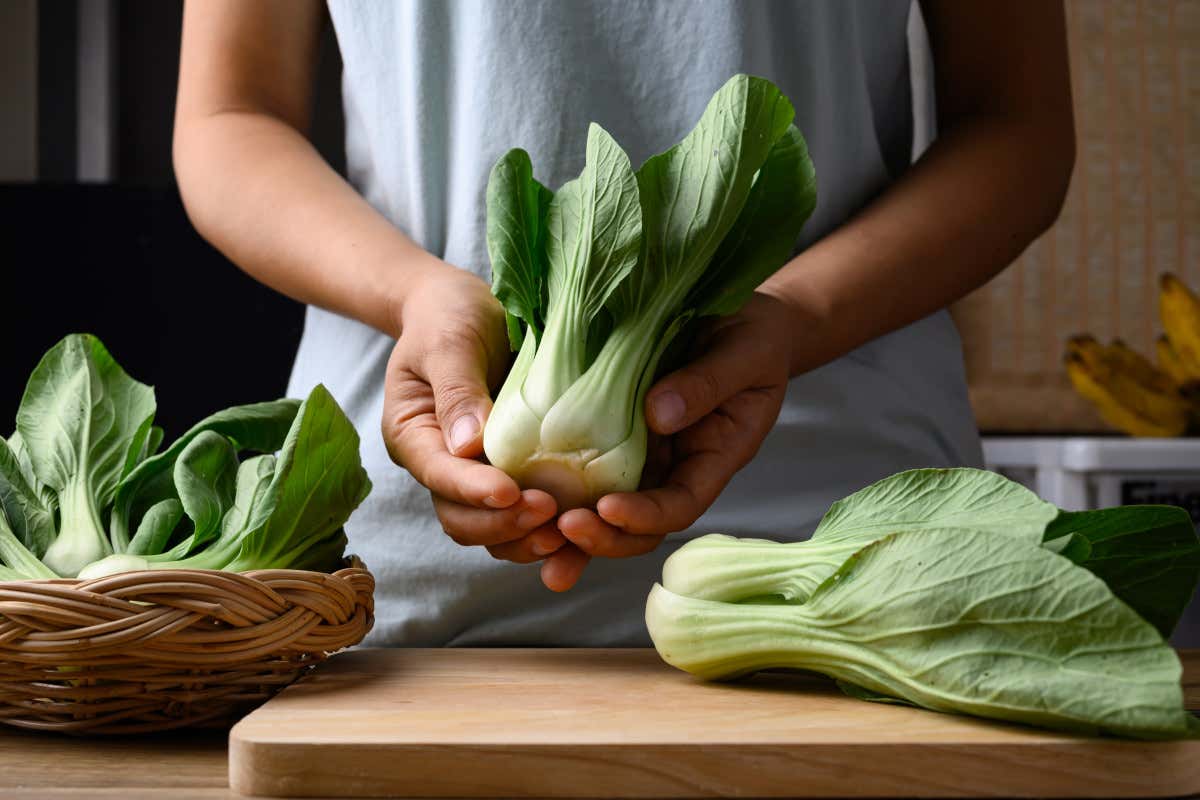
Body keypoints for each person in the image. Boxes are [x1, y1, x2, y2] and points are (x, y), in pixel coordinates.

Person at [173, 1, 1074, 645]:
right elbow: (228, 115)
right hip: (392, 578)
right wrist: (414, 293)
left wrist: (795, 319)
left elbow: (1016, 125)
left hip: (849, 561)